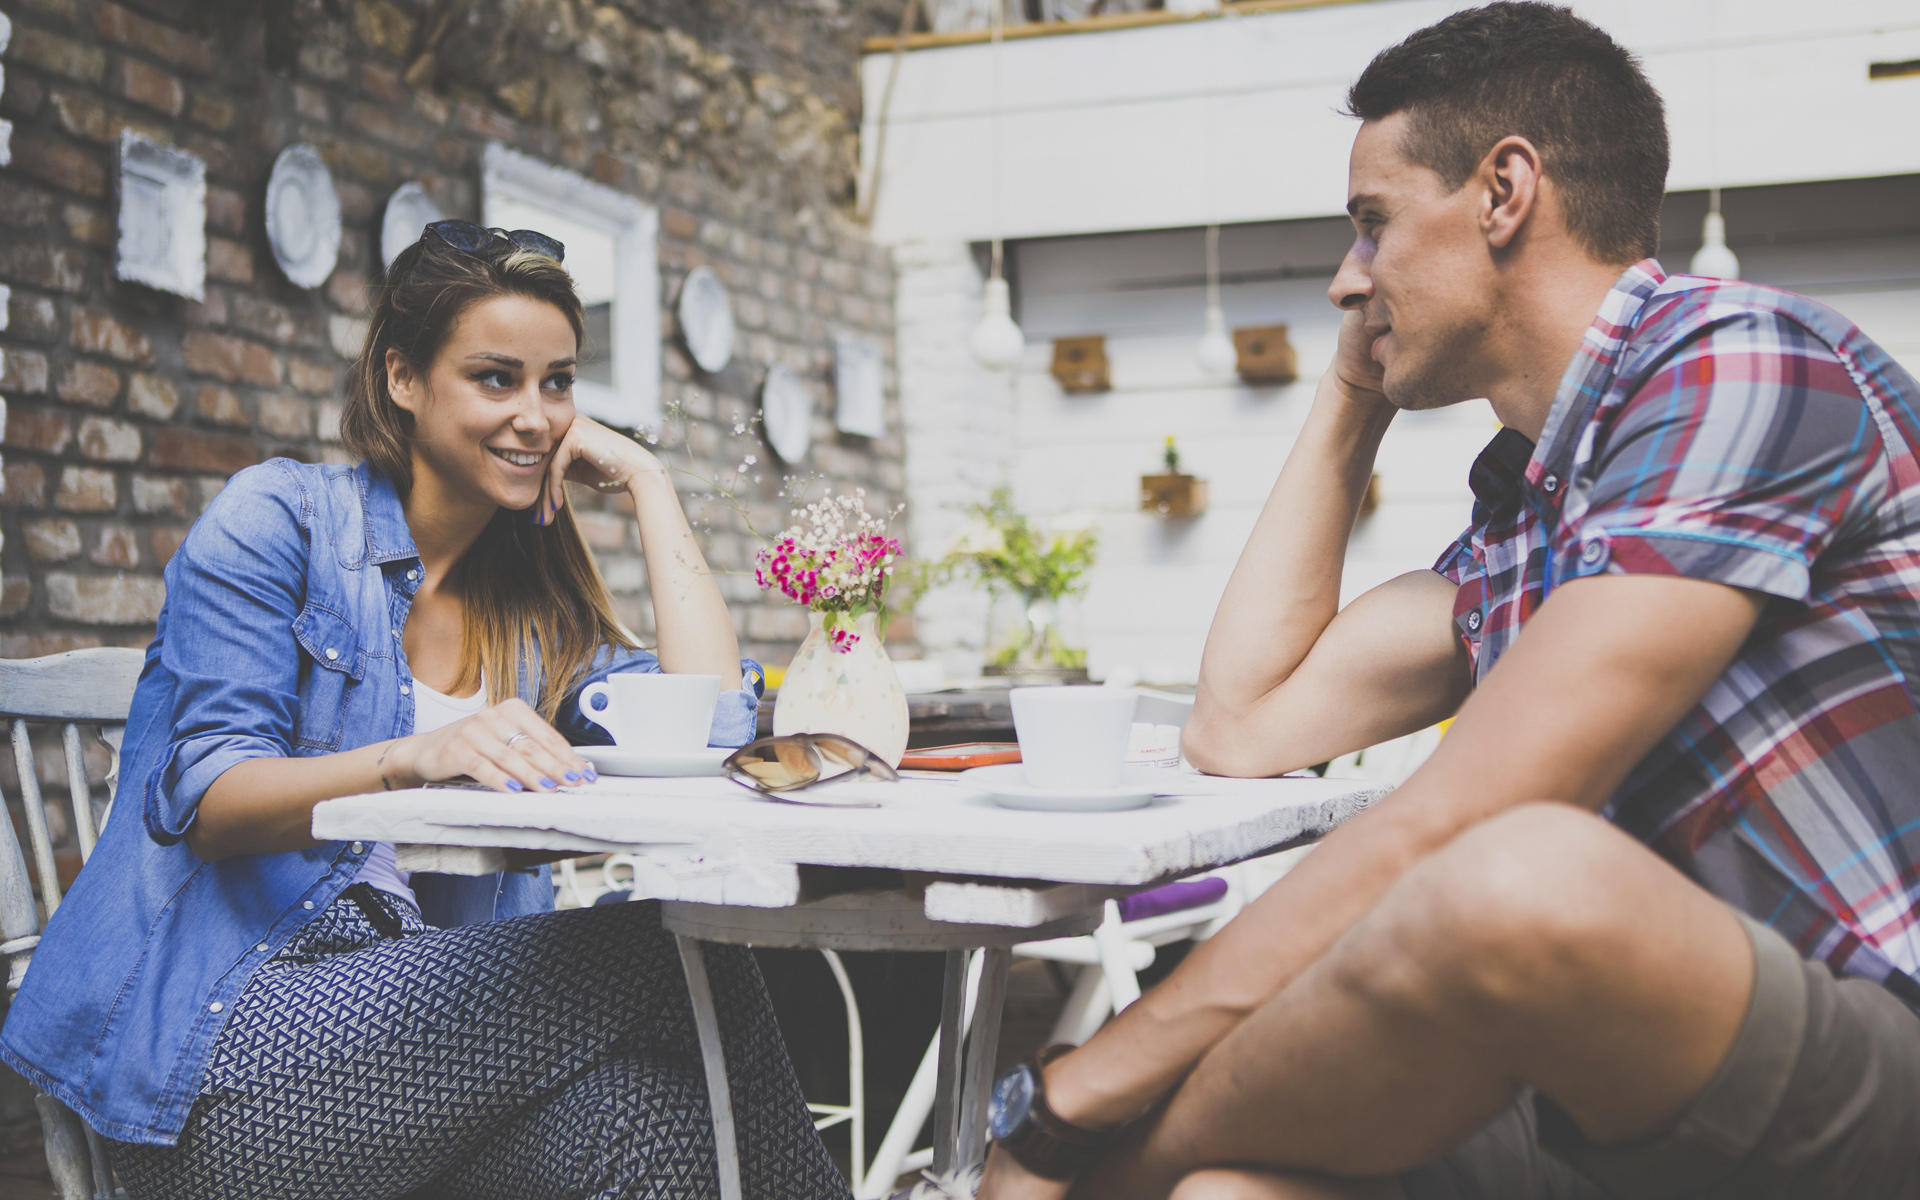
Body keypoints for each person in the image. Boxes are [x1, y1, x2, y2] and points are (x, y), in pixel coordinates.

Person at [968, 5, 1920, 1199]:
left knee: (1516, 871)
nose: (1343, 278)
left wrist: (1074, 1099)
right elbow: (1246, 722)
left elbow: (1474, 824)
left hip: (1868, 1038)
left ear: (1504, 192)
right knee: (1234, 1195)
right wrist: (1351, 393)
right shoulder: (1527, 521)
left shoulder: (1738, 361)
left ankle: (1082, 1173)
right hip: (1603, 1063)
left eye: (1371, 225)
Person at [0, 222, 850, 1200]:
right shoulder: (280, 520)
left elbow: (711, 725)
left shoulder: (532, 616)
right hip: (216, 1056)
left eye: (558, 382)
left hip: (412, 1053)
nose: (536, 416)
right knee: (662, 949)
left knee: (647, 1121)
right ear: (403, 378)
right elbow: (214, 803)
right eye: (496, 379)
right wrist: (419, 755)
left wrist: (649, 486)